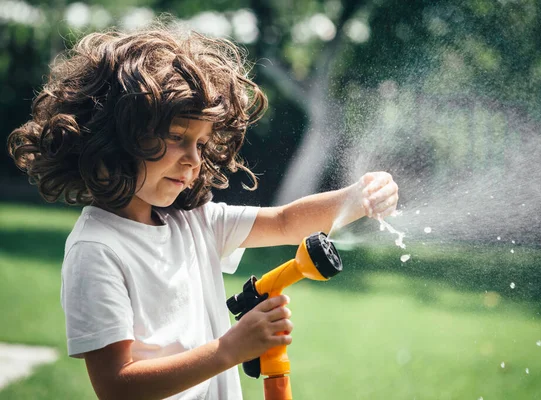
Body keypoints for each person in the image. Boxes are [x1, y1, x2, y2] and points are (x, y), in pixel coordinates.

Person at [7, 27, 398, 400]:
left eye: (201, 143)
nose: (193, 159)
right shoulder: (97, 250)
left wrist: (357, 197)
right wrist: (230, 348)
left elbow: (284, 222)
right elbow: (116, 387)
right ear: (116, 137)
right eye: (178, 138)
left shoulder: (193, 221)